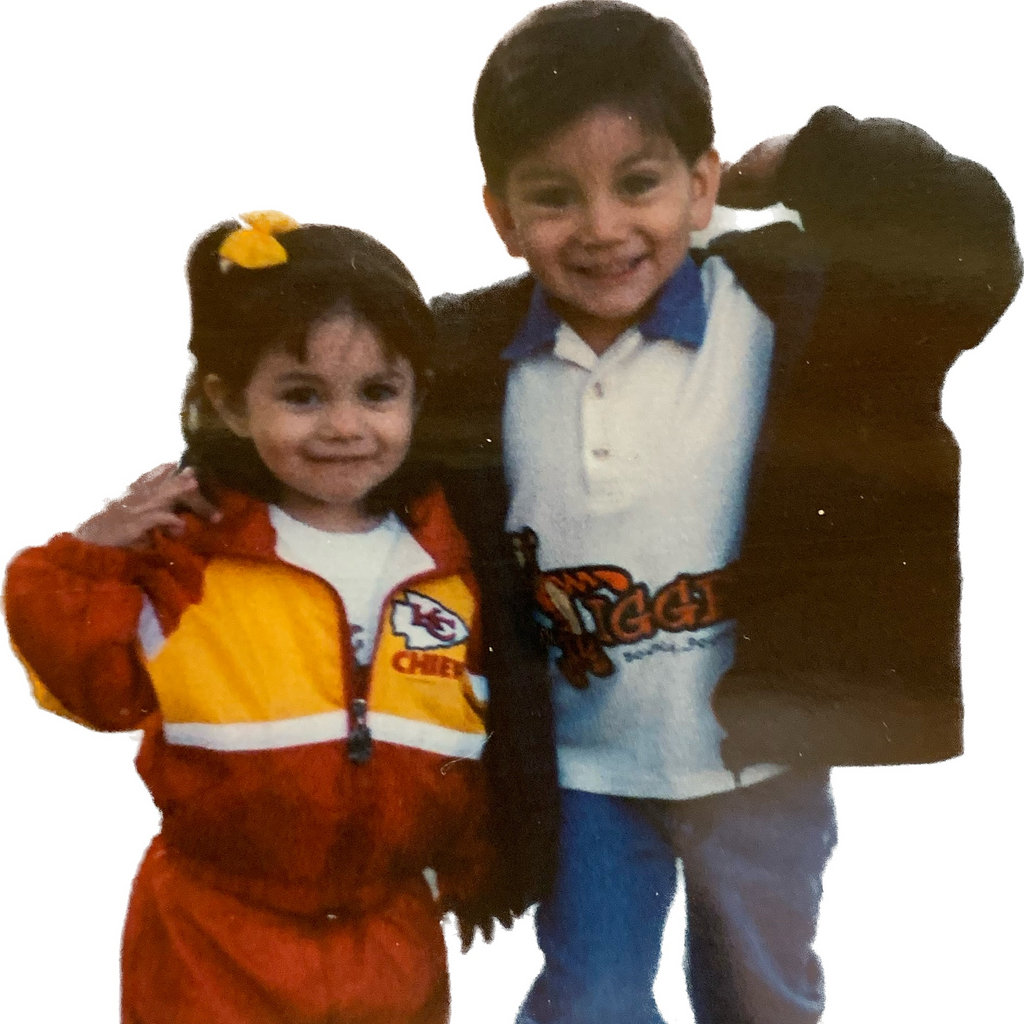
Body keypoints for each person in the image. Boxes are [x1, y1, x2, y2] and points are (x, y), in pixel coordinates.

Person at [419, 3, 1022, 1023]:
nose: (603, 227)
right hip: (585, 766)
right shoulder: (465, 360)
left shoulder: (790, 305)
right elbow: (314, 420)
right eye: (555, 196)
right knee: (589, 998)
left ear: (701, 185)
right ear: (501, 214)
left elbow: (971, 248)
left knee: (760, 996)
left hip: (762, 763)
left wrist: (810, 156)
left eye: (640, 183)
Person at [4, 212, 496, 1024]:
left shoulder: (451, 563)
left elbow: (472, 735)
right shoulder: (192, 555)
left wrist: (474, 864)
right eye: (302, 396)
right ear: (230, 403)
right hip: (212, 940)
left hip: (389, 937)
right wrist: (87, 557)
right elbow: (92, 689)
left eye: (378, 392)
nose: (345, 425)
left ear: (419, 394)